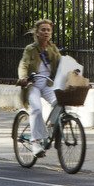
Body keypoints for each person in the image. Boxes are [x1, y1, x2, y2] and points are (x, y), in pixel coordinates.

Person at [15, 18, 61, 158]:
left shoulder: (52, 48)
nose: (46, 32)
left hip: (47, 84)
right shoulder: (30, 49)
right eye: (43, 30)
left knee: (59, 103)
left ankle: (52, 128)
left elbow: (61, 63)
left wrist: (73, 72)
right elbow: (23, 64)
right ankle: (35, 142)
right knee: (36, 109)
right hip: (32, 85)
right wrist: (23, 77)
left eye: (48, 30)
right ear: (37, 32)